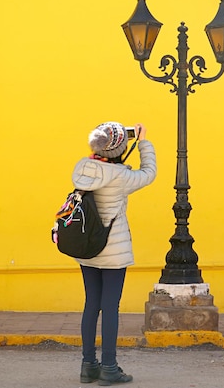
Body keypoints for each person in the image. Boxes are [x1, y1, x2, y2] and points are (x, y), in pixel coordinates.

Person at [71, 121, 157, 386]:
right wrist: (143, 142)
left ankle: (88, 366)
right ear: (120, 147)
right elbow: (149, 173)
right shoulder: (121, 177)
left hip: (87, 249)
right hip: (113, 250)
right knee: (110, 308)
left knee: (91, 305)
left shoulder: (83, 168)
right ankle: (109, 367)